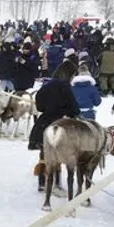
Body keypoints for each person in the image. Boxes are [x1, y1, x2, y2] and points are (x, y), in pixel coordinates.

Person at [31, 61, 80, 191]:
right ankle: (56, 183)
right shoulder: (65, 87)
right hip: (60, 123)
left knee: (44, 153)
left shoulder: (47, 85)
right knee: (59, 154)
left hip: (44, 123)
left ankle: (42, 182)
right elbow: (74, 109)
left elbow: (39, 105)